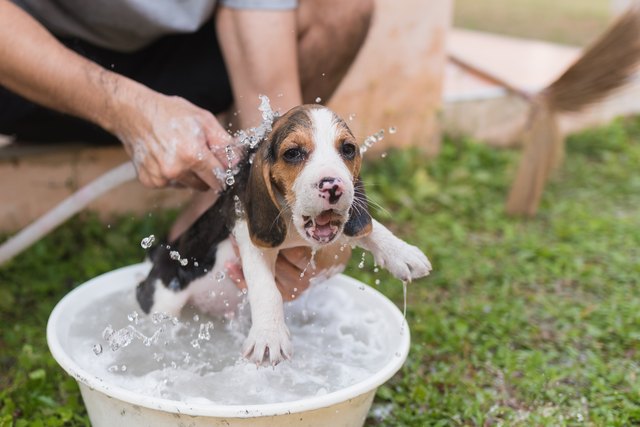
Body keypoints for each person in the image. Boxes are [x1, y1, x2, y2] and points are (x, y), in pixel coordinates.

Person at [0, 0, 374, 299]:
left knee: (341, 6)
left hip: (179, 61)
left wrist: (295, 216)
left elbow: (273, 106)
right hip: (24, 62)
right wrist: (125, 107)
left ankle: (203, 229)